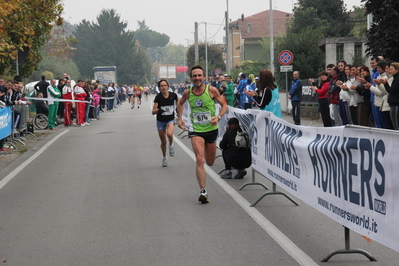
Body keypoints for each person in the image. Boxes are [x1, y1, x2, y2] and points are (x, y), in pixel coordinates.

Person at [177, 65, 227, 204]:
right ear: (191, 78)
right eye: (194, 76)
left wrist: (218, 117)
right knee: (199, 159)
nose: (197, 78)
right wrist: (180, 119)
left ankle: (206, 154)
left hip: (211, 129)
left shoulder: (211, 90)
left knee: (210, 162)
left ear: (204, 77)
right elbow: (180, 103)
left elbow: (224, 105)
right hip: (196, 129)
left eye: (199, 75)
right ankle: (203, 191)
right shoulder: (188, 93)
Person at [152, 80, 178, 167]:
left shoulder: (173, 95)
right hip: (160, 121)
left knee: (170, 134)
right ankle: (164, 157)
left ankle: (171, 145)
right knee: (163, 142)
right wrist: (159, 110)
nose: (163, 87)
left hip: (170, 119)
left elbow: (179, 104)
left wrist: (179, 115)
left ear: (168, 86)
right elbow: (153, 111)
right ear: (159, 88)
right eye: (161, 86)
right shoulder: (158, 97)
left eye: (165, 85)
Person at [381, 62, 399, 129]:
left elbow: (392, 91)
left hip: (396, 103)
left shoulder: (397, 79)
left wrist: (385, 84)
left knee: (396, 124)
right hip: (393, 103)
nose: (390, 71)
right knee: (394, 124)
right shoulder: (395, 78)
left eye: (391, 69)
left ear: (397, 69)